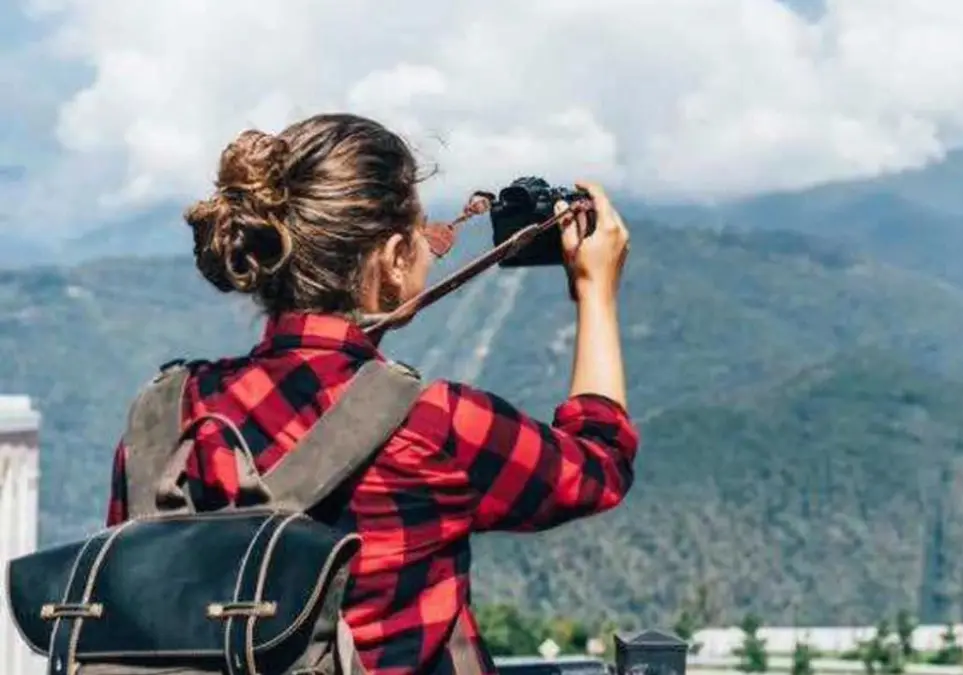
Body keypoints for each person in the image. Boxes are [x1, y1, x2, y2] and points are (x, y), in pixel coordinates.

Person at [103, 113, 638, 675]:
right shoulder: (433, 424)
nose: (435, 248)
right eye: (425, 233)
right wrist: (595, 293)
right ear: (392, 258)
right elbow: (599, 465)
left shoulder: (167, 418)